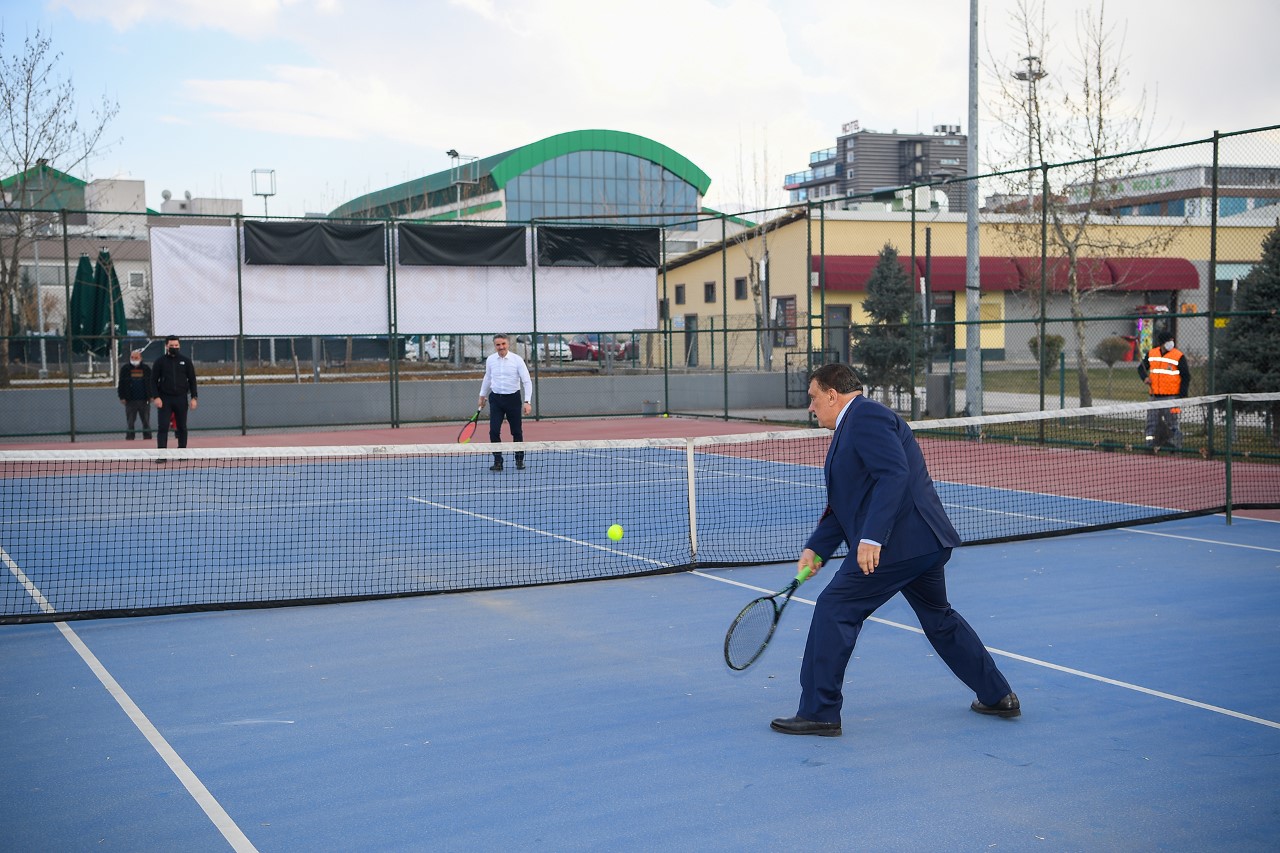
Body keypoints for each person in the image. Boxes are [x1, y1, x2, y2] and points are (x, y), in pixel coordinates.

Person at [770, 363, 1019, 737]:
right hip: (923, 545)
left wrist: (873, 538)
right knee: (939, 619)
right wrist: (817, 548)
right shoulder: (853, 424)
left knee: (835, 608)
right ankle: (997, 695)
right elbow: (849, 500)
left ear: (833, 395)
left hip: (897, 546)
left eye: (813, 398)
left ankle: (819, 712)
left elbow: (894, 474)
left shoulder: (867, 416)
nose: (811, 407)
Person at [478, 333, 532, 471]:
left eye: (503, 344)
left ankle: (519, 460)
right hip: (496, 399)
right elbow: (488, 378)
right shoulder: (490, 360)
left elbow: (526, 381)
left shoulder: (517, 360)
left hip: (513, 399)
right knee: (493, 431)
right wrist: (482, 396)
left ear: (508, 344)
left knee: (516, 432)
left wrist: (527, 401)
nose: (501, 347)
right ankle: (498, 462)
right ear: (495, 346)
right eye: (498, 345)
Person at [1138, 330, 1190, 451]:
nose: (1171, 343)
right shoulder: (1152, 354)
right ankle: (1149, 445)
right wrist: (1145, 378)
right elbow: (1141, 368)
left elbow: (1186, 376)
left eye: (1172, 340)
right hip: (1154, 396)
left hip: (1172, 397)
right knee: (1151, 422)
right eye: (1168, 341)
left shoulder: (1178, 355)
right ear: (1162, 343)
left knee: (1173, 423)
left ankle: (1176, 446)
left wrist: (1182, 395)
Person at [150, 335, 198, 450]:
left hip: (181, 398)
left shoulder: (186, 361)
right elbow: (152, 381)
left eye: (176, 345)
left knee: (182, 427)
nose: (174, 347)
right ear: (166, 346)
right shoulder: (160, 362)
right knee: (163, 427)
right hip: (165, 399)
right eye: (172, 346)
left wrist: (194, 397)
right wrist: (156, 397)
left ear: (179, 345)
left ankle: (182, 451)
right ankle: (162, 453)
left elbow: (192, 380)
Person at [116, 349, 153, 440]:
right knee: (130, 422)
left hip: (144, 400)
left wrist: (152, 395)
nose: (134, 359)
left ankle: (147, 437)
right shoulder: (125, 369)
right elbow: (121, 384)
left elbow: (151, 383)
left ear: (140, 358)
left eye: (136, 357)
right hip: (130, 400)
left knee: (146, 421)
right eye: (132, 357)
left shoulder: (146, 369)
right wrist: (122, 397)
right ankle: (130, 437)